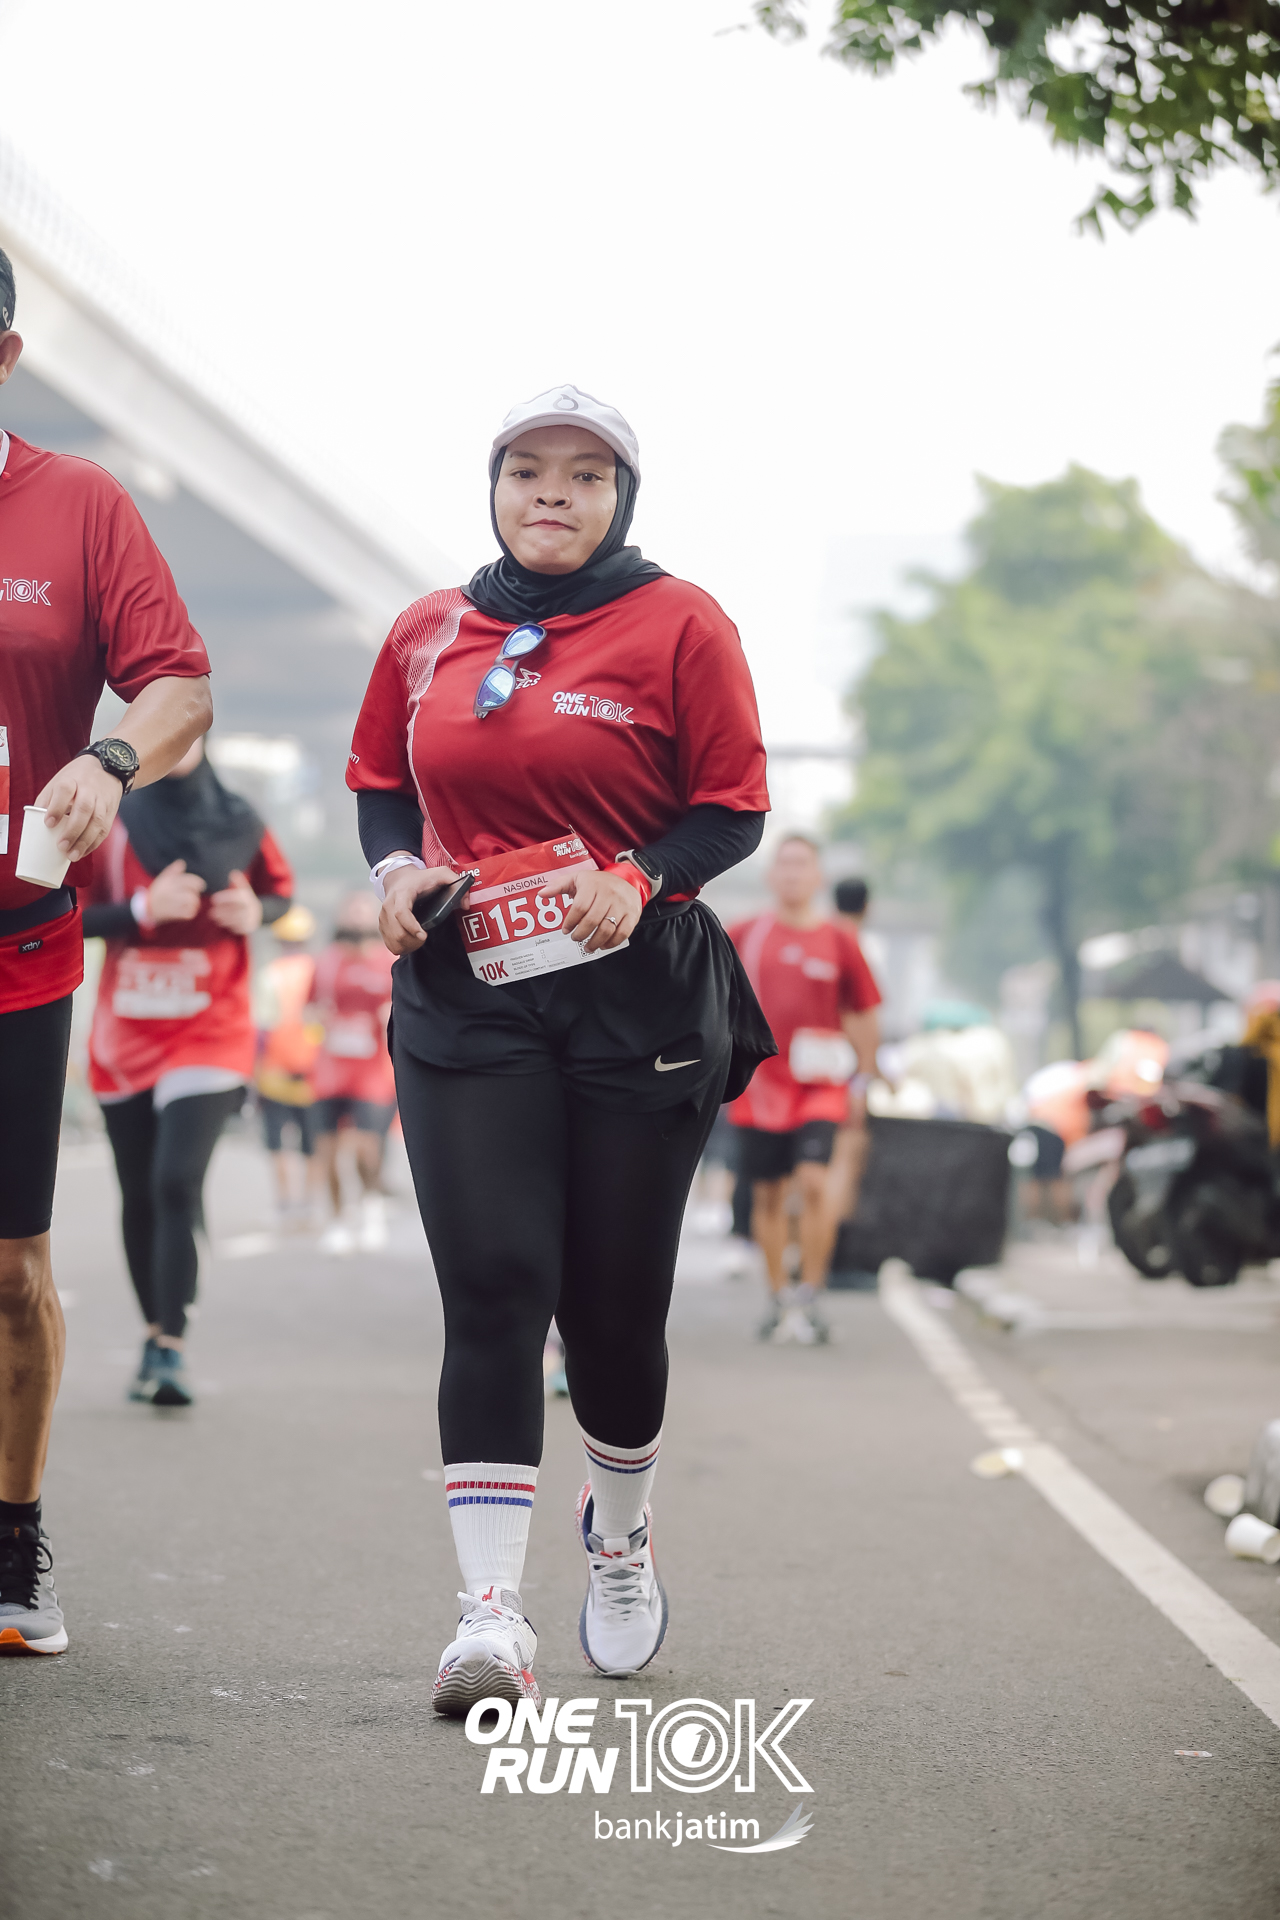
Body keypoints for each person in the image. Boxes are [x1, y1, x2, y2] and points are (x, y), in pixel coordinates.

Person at [347, 384, 773, 1713]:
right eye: (526, 469)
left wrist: (638, 876)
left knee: (611, 1310)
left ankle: (621, 1536)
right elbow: (379, 784)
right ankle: (487, 1617)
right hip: (469, 991)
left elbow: (733, 809)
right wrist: (397, 870)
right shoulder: (428, 629)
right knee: (495, 1285)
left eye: (584, 476)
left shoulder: (680, 622)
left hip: (638, 1002)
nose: (551, 492)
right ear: (492, 487)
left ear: (619, 500)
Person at [0, 246, 212, 1655]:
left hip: (15, 948)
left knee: (9, 1268)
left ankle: (13, 1541)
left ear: (6, 357)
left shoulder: (78, 506)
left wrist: (111, 758)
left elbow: (181, 682)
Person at [83, 739, 293, 1407]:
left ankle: (172, 1347)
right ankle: (153, 1333)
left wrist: (255, 912)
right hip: (127, 1033)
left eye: (187, 725)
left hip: (212, 1029)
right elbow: (67, 913)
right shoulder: (109, 817)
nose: (174, 738)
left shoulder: (241, 818)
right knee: (139, 1190)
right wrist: (142, 911)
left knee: (176, 1180)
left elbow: (280, 895)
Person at [728, 835, 881, 1343]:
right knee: (768, 1192)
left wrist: (862, 1079)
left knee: (815, 1182)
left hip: (821, 1085)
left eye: (803, 865)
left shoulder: (839, 940)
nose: (793, 874)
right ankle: (778, 1297)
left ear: (818, 877)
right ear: (771, 875)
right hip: (761, 1087)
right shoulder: (745, 934)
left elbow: (863, 1012)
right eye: (785, 864)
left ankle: (811, 1294)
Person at [310, 891, 397, 1254]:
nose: (357, 918)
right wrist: (315, 1018)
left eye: (364, 911)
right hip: (330, 1070)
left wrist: (391, 1015)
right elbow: (309, 1008)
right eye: (352, 911)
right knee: (327, 1152)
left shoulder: (388, 961)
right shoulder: (326, 962)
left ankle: (371, 1207)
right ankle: (336, 1221)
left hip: (373, 1072)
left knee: (366, 1150)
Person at [252, 904, 320, 1226]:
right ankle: (308, 1204)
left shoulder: (270, 974)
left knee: (277, 1142)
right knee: (312, 1143)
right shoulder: (317, 970)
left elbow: (261, 1030)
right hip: (313, 1072)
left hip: (275, 1072)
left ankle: (284, 1204)